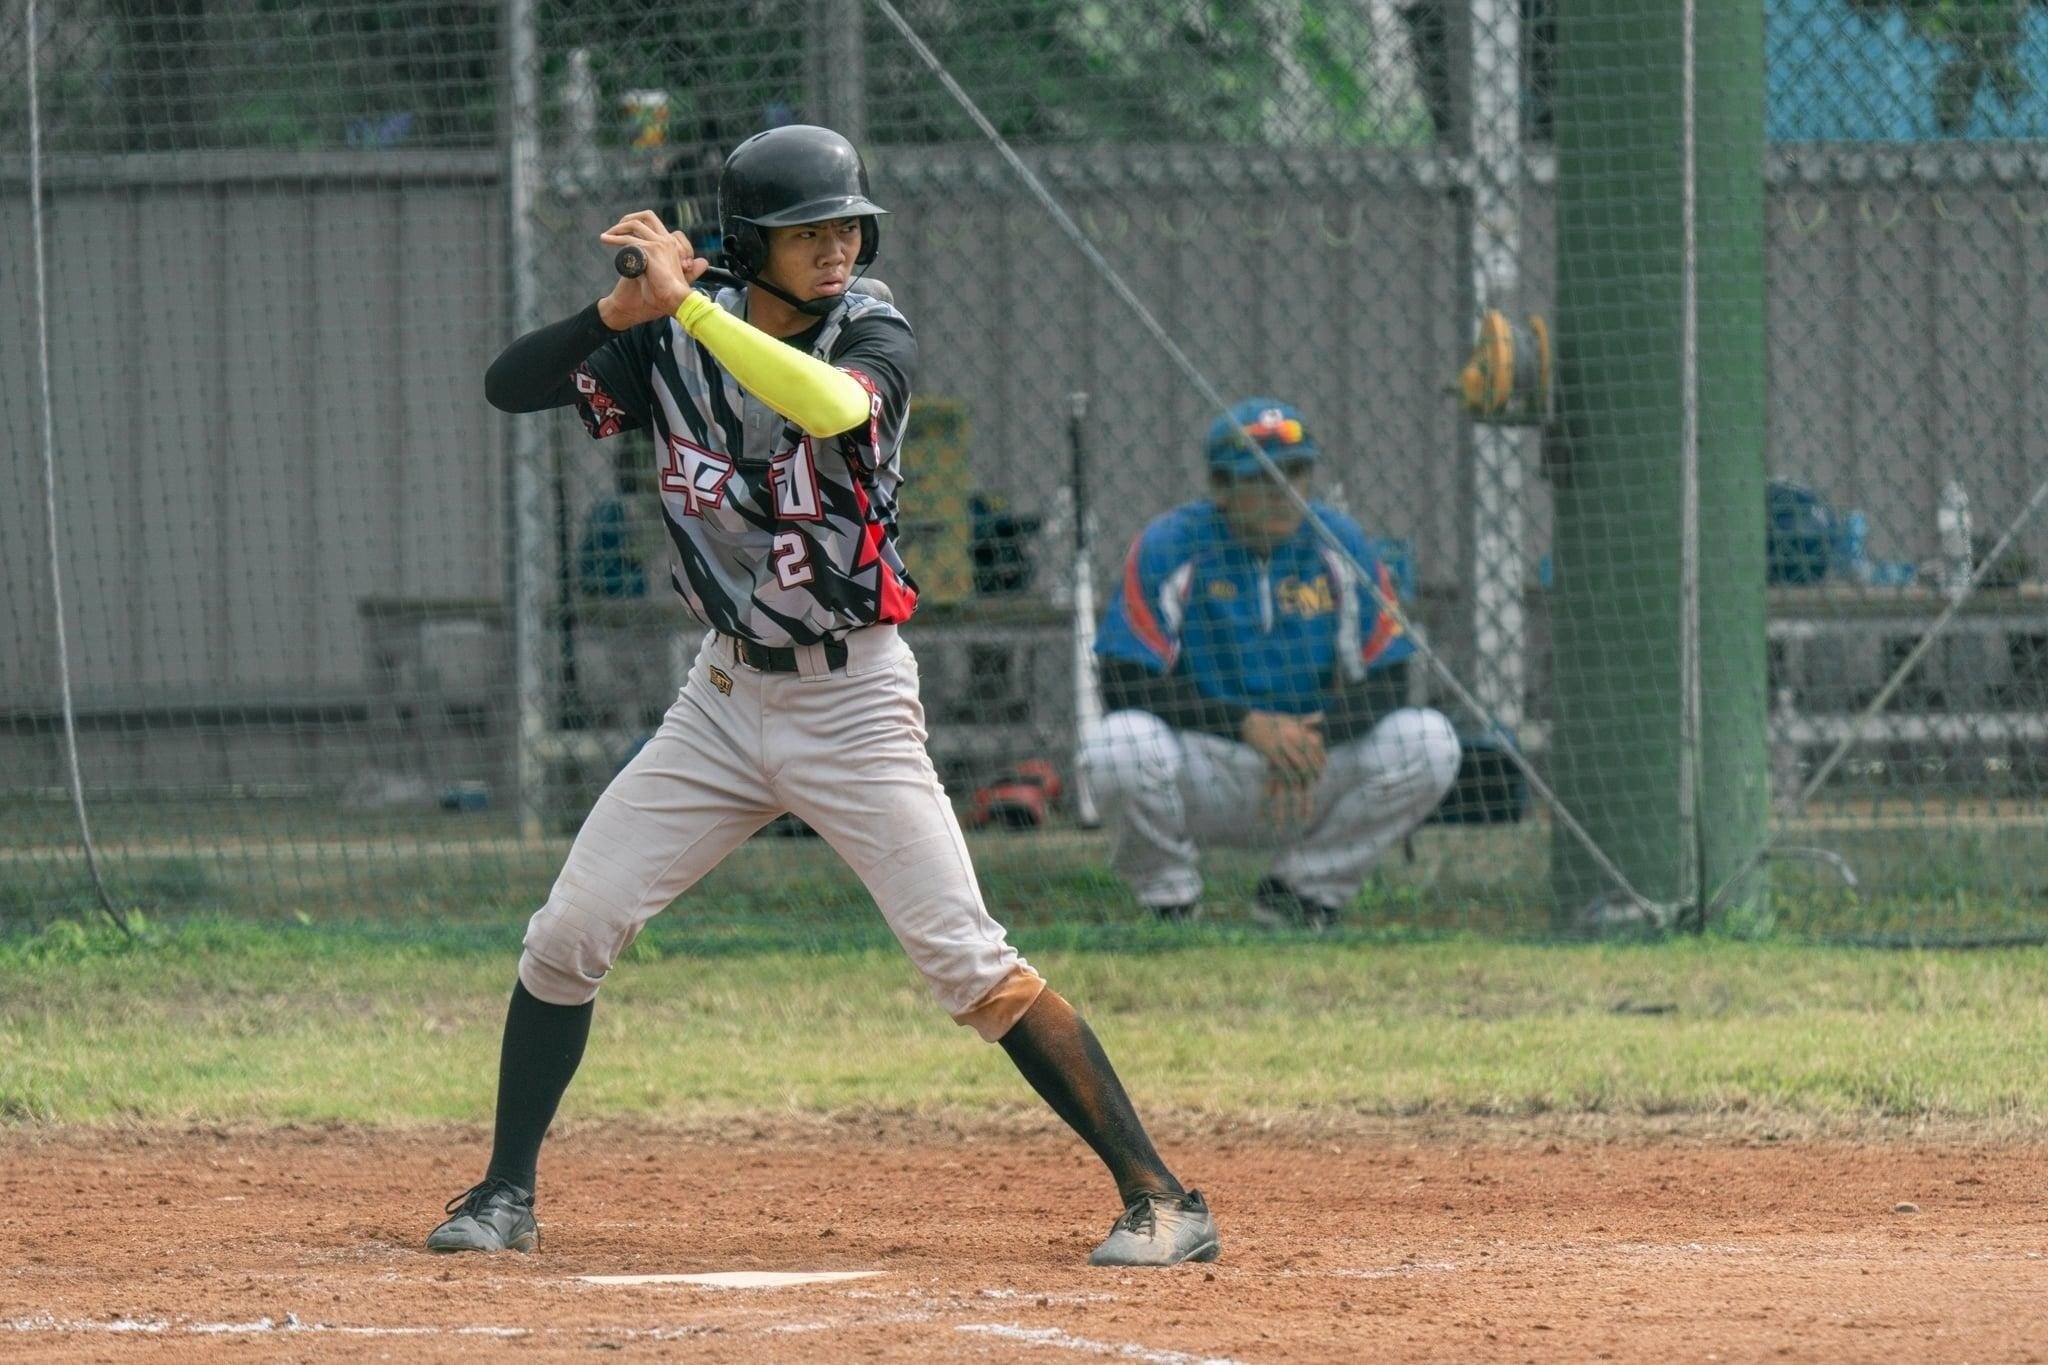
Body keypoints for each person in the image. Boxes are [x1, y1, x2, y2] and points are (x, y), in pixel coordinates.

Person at [426, 125, 1217, 1268]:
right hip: (719, 698)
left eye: (846, 226)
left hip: (853, 701)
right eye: (807, 233)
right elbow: (509, 388)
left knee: (967, 964)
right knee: (568, 934)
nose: (836, 246)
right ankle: (504, 1193)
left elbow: (834, 410)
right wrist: (620, 313)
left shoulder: (870, 328)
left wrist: (690, 312)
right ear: (749, 244)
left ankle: (1165, 1200)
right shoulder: (669, 341)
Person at [1081, 398, 1462, 927]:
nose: (1282, 491)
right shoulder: (1171, 544)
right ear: (1220, 487)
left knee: (1429, 742)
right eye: (1260, 477)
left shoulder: (1338, 543)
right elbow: (1124, 682)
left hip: (1310, 764)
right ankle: (1169, 901)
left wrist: (1311, 739)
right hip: (1209, 762)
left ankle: (1302, 893)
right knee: (1119, 745)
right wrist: (1248, 726)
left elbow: (1390, 681)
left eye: (1295, 472)